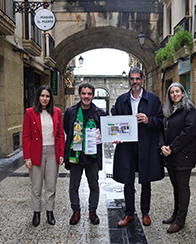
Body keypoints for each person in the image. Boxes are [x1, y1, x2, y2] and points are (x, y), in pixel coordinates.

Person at [112, 67, 164, 227]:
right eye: (132, 79)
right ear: (129, 80)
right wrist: (116, 136)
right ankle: (129, 213)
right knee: (127, 181)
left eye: (137, 79)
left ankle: (145, 212)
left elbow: (161, 121)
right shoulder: (121, 100)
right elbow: (115, 121)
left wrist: (149, 120)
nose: (135, 81)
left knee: (146, 180)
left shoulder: (153, 100)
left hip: (146, 146)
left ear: (142, 80)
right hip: (127, 148)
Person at [63, 83, 107, 225]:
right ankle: (76, 211)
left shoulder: (99, 113)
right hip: (75, 155)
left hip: (92, 156)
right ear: (79, 94)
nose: (86, 97)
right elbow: (67, 129)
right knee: (73, 186)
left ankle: (92, 211)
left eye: (89, 94)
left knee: (93, 185)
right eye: (84, 94)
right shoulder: (71, 111)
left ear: (93, 95)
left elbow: (106, 133)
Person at [158, 82, 196, 233]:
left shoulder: (189, 110)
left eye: (177, 91)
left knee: (182, 187)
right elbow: (161, 130)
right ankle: (175, 215)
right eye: (171, 92)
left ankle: (180, 220)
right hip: (170, 156)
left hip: (183, 156)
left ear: (183, 93)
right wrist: (162, 145)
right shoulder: (168, 111)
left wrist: (172, 147)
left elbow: (189, 132)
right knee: (175, 187)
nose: (174, 94)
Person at [22, 85, 65, 227]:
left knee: (51, 185)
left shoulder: (57, 112)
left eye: (47, 96)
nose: (44, 99)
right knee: (36, 185)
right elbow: (26, 136)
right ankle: (36, 213)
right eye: (42, 96)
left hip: (53, 151)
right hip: (36, 152)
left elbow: (60, 134)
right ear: (38, 97)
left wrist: (61, 153)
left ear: (50, 98)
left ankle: (50, 212)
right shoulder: (30, 112)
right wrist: (27, 157)